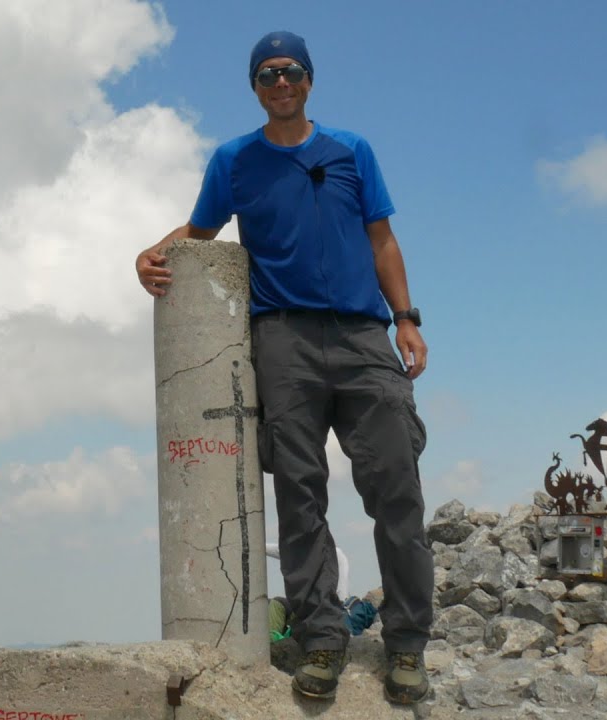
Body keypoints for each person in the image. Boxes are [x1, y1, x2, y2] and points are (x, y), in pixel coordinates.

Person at [134, 31, 433, 705]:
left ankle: (408, 644)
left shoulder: (352, 151)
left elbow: (381, 238)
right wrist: (150, 253)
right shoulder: (233, 161)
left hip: (363, 335)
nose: (281, 81)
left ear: (309, 79)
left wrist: (407, 318)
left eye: (291, 70)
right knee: (299, 496)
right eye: (267, 74)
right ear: (255, 85)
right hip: (282, 341)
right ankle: (322, 639)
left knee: (398, 492)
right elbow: (200, 232)